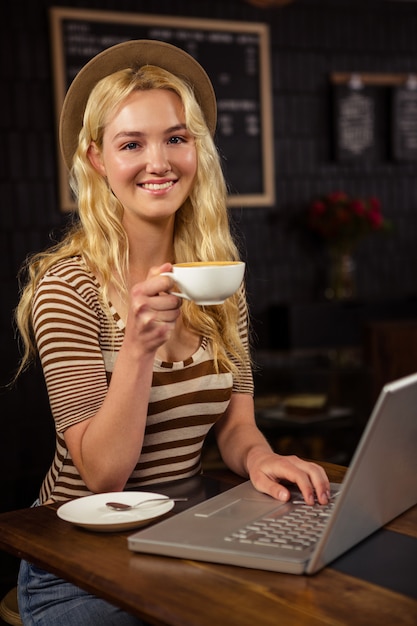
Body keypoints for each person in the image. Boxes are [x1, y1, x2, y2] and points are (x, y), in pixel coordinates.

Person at [14, 40, 330, 625]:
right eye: (131, 143)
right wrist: (136, 349)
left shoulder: (217, 278)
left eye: (176, 138)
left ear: (197, 150)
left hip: (190, 535)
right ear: (96, 160)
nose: (159, 161)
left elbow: (238, 426)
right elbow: (102, 474)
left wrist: (260, 458)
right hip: (79, 560)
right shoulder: (68, 289)